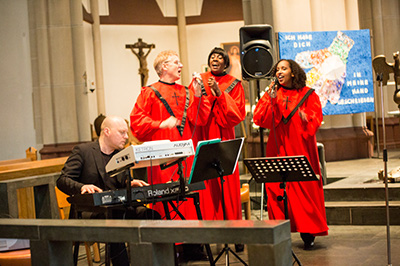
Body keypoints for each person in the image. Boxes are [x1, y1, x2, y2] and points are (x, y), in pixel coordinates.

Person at [130, 50, 211, 261]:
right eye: (176, 62)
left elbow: (200, 119)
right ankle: (169, 246)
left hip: (187, 154)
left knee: (190, 197)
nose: (181, 65)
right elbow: (136, 123)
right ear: (164, 66)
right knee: (166, 198)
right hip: (162, 158)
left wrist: (200, 95)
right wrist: (159, 123)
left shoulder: (187, 91)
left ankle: (193, 245)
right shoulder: (149, 92)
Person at [57, 115, 160, 266]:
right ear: (107, 131)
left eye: (126, 133)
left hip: (118, 208)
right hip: (91, 212)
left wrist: (130, 183)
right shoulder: (83, 151)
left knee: (152, 216)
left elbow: (118, 182)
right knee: (115, 225)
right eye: (122, 132)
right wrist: (82, 187)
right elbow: (62, 180)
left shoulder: (120, 155)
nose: (126, 137)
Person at [253, 59, 329, 250]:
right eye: (277, 69)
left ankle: (308, 231)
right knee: (277, 189)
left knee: (304, 189)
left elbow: (316, 118)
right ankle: (280, 230)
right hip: (277, 148)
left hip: (301, 148)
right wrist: (270, 99)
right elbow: (260, 119)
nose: (279, 72)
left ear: (293, 73)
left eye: (283, 68)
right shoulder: (272, 93)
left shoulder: (308, 94)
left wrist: (307, 118)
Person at [189, 47, 245, 220]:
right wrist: (199, 93)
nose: (215, 59)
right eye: (212, 56)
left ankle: (232, 227)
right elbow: (192, 111)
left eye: (220, 57)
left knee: (226, 181)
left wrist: (220, 94)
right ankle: (207, 225)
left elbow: (237, 114)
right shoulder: (199, 80)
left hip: (224, 136)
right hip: (203, 135)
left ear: (226, 63)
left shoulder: (234, 84)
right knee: (205, 180)